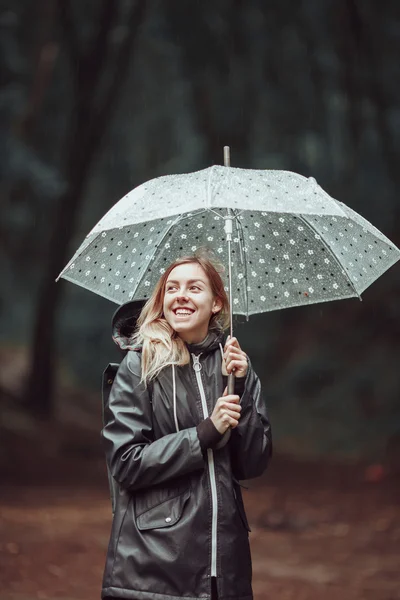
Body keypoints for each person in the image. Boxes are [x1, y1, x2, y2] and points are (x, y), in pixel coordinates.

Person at [101, 253, 272, 600]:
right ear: (162, 301)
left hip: (226, 562)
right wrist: (204, 434)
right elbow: (126, 462)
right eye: (172, 288)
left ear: (216, 303)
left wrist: (239, 386)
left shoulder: (234, 364)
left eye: (194, 288)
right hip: (155, 561)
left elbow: (254, 463)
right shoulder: (139, 363)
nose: (181, 295)